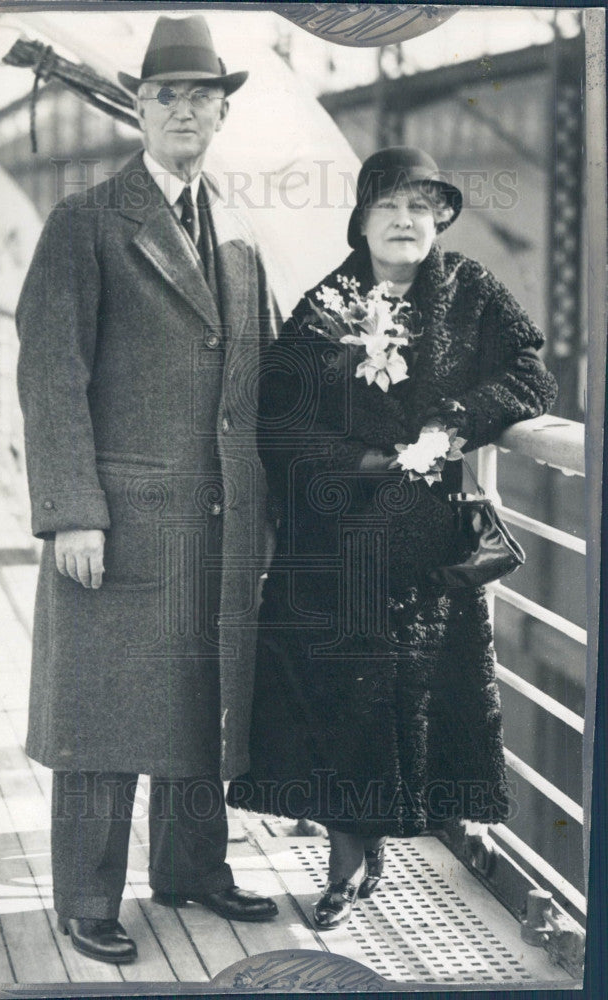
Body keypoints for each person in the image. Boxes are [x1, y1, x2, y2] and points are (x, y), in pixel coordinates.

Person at [227, 147, 557, 930]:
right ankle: (347, 864)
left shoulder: (471, 291)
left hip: (423, 552)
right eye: (389, 206)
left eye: (420, 206)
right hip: (337, 544)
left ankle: (374, 844)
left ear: (439, 217)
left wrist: (455, 422)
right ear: (363, 219)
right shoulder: (327, 302)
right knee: (340, 698)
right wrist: (366, 459)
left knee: (410, 702)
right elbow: (278, 417)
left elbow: (529, 375)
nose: (405, 220)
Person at [16, 15, 278, 965]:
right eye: (167, 95)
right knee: (102, 714)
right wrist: (72, 513)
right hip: (121, 521)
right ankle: (87, 897)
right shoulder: (85, 220)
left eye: (201, 97)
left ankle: (190, 871)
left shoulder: (239, 231)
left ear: (219, 113)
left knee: (200, 699)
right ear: (137, 106)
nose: (184, 111)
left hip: (216, 519)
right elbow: (50, 377)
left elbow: (271, 371)